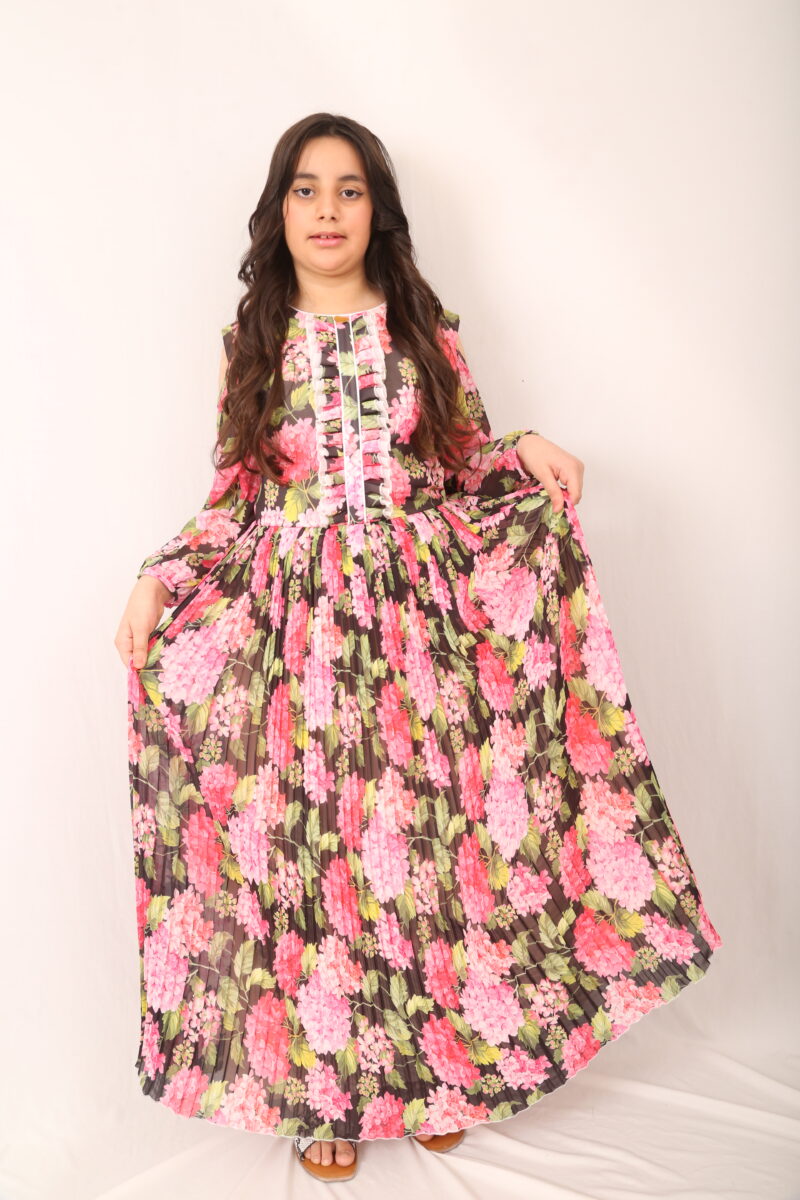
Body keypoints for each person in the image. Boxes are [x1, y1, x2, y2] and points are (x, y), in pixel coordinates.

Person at [115, 113, 723, 1184]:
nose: (327, 211)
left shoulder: (421, 329)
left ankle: (445, 1073)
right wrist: (157, 577)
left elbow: (459, 459)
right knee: (321, 857)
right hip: (300, 638)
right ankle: (327, 1095)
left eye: (349, 190)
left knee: (431, 847)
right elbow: (232, 499)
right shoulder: (250, 342)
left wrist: (520, 447)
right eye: (306, 190)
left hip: (417, 624)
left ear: (378, 211)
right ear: (278, 211)